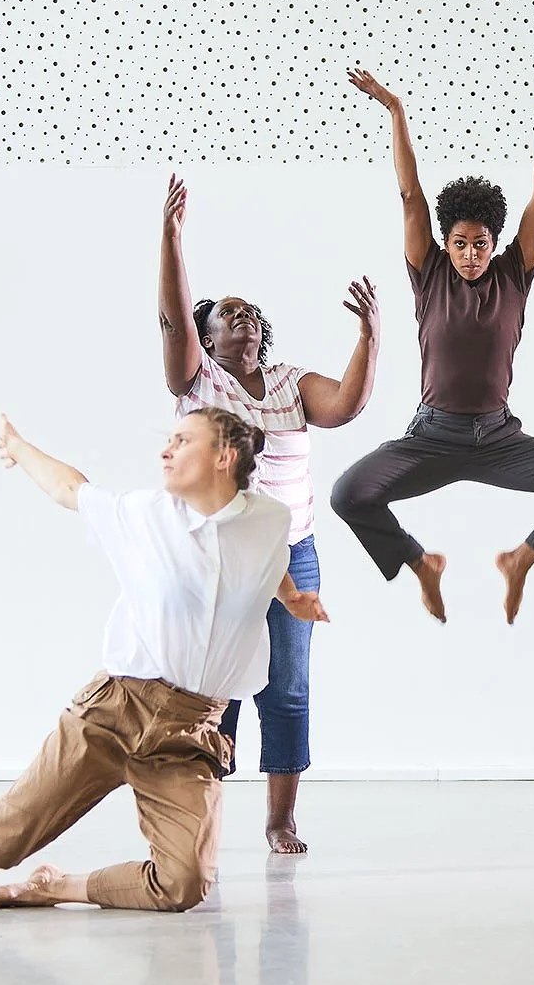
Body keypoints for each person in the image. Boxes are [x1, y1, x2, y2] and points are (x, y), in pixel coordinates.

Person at [0, 408, 327, 909]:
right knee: (10, 834)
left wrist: (292, 599)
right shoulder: (145, 516)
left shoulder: (270, 518)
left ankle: (57, 887)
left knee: (184, 885)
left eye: (181, 441)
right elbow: (71, 488)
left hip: (191, 731)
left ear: (224, 457)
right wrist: (19, 448)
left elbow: (274, 558)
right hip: (114, 712)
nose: (165, 450)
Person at [331, 61, 534, 624]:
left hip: (499, 437)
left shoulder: (513, 276)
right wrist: (395, 111)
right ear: (445, 244)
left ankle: (522, 558)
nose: (471, 254)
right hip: (432, 436)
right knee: (349, 495)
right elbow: (410, 196)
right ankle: (419, 563)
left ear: (495, 243)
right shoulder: (428, 273)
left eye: (481, 244)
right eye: (460, 243)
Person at [158, 174, 379, 852]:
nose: (244, 319)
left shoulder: (288, 383)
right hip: (216, 557)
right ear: (208, 336)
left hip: (291, 553)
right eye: (228, 313)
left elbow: (346, 404)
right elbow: (171, 321)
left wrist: (371, 334)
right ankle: (207, 819)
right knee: (214, 691)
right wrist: (171, 237)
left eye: (251, 312)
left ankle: (281, 821)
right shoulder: (199, 382)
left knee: (286, 689)